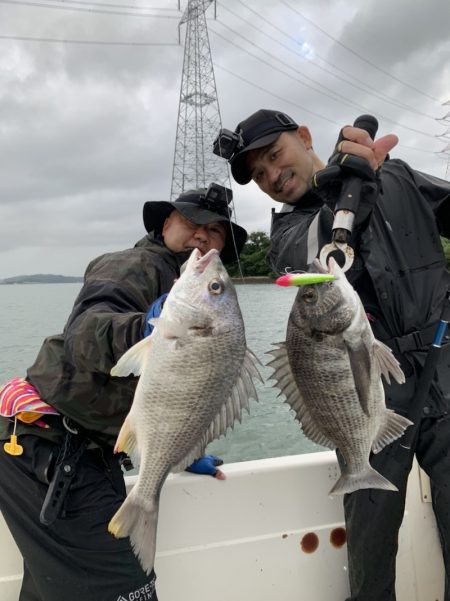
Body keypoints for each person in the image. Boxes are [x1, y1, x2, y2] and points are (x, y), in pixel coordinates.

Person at [215, 109, 450, 601]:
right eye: (258, 175)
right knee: (370, 545)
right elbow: (314, 257)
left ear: (303, 137)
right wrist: (346, 198)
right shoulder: (285, 236)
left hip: (445, 367)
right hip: (369, 397)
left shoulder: (397, 175)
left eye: (275, 156)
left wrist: (370, 178)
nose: (272, 176)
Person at [0, 184, 247, 601]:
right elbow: (84, 334)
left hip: (78, 449)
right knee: (128, 592)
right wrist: (148, 328)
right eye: (192, 221)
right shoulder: (134, 265)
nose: (203, 236)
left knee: (54, 590)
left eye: (217, 232)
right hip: (44, 441)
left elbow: (182, 391)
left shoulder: (188, 290)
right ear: (165, 223)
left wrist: (179, 448)